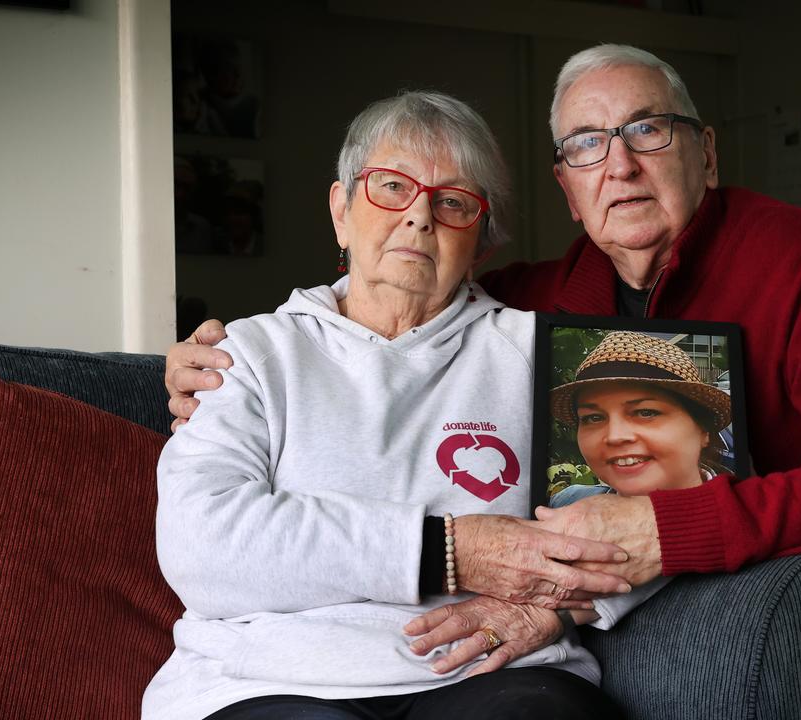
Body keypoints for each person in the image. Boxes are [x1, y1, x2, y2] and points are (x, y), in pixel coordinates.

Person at [167, 44, 801, 716]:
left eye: (647, 130)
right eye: (587, 143)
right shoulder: (532, 304)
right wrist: (203, 363)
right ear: (566, 187)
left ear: (707, 153)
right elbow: (396, 313)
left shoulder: (794, 260)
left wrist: (598, 579)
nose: (619, 165)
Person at [146, 91, 626, 720]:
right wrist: (448, 550)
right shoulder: (250, 354)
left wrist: (559, 605)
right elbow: (202, 545)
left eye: (453, 202)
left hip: (493, 677)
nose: (420, 218)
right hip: (267, 678)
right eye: (391, 187)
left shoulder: (545, 357)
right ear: (341, 211)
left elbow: (656, 510)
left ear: (480, 242)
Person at [544, 331, 734, 630]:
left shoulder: (748, 531)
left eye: (646, 412)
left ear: (703, 430)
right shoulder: (566, 505)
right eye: (593, 418)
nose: (616, 436)